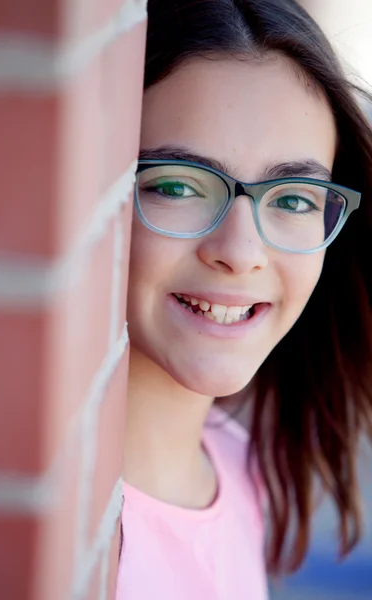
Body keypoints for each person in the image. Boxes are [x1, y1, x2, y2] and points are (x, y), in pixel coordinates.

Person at [116, 1, 372, 598]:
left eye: (294, 198)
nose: (241, 251)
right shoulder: (37, 531)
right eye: (177, 185)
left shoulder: (244, 470)